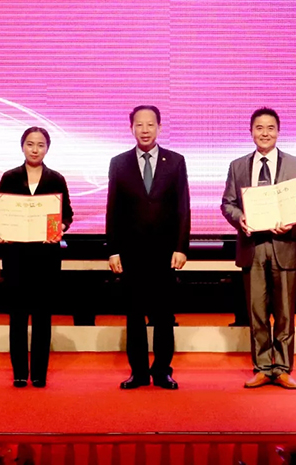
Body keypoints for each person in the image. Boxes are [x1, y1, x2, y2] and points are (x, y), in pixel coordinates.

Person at [221, 107, 296, 390]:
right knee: (257, 314)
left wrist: (291, 223)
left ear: (278, 131)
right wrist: (240, 218)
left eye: (270, 128)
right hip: (252, 247)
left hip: (284, 246)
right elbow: (227, 203)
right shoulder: (238, 166)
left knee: (285, 314)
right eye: (259, 128)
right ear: (251, 131)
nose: (265, 133)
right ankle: (263, 367)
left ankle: (283, 368)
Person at [106, 105, 191, 390]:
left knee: (164, 315)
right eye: (139, 125)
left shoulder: (175, 161)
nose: (145, 130)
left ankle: (163, 371)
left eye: (150, 124)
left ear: (159, 127)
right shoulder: (119, 163)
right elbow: (113, 208)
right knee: (134, 315)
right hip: (131, 252)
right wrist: (113, 249)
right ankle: (139, 372)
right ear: (131, 128)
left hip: (165, 252)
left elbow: (183, 207)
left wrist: (181, 247)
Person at [0, 126, 73, 388]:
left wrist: (61, 227)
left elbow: (67, 214)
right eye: (30, 144)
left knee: (42, 316)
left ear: (47, 148)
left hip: (45, 257)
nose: (35, 149)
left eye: (40, 145)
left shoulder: (56, 179)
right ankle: (19, 372)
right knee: (17, 316)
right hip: (16, 257)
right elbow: (0, 212)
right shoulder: (9, 177)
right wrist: (0, 229)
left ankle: (39, 373)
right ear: (22, 146)